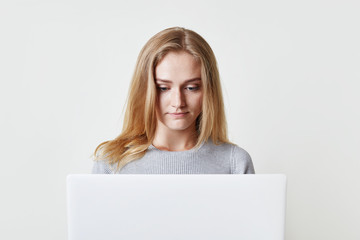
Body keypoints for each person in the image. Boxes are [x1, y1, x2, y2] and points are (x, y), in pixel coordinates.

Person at [92, 27, 255, 174]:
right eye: (163, 88)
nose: (178, 102)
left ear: (208, 91)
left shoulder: (235, 163)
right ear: (145, 90)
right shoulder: (111, 163)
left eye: (191, 88)